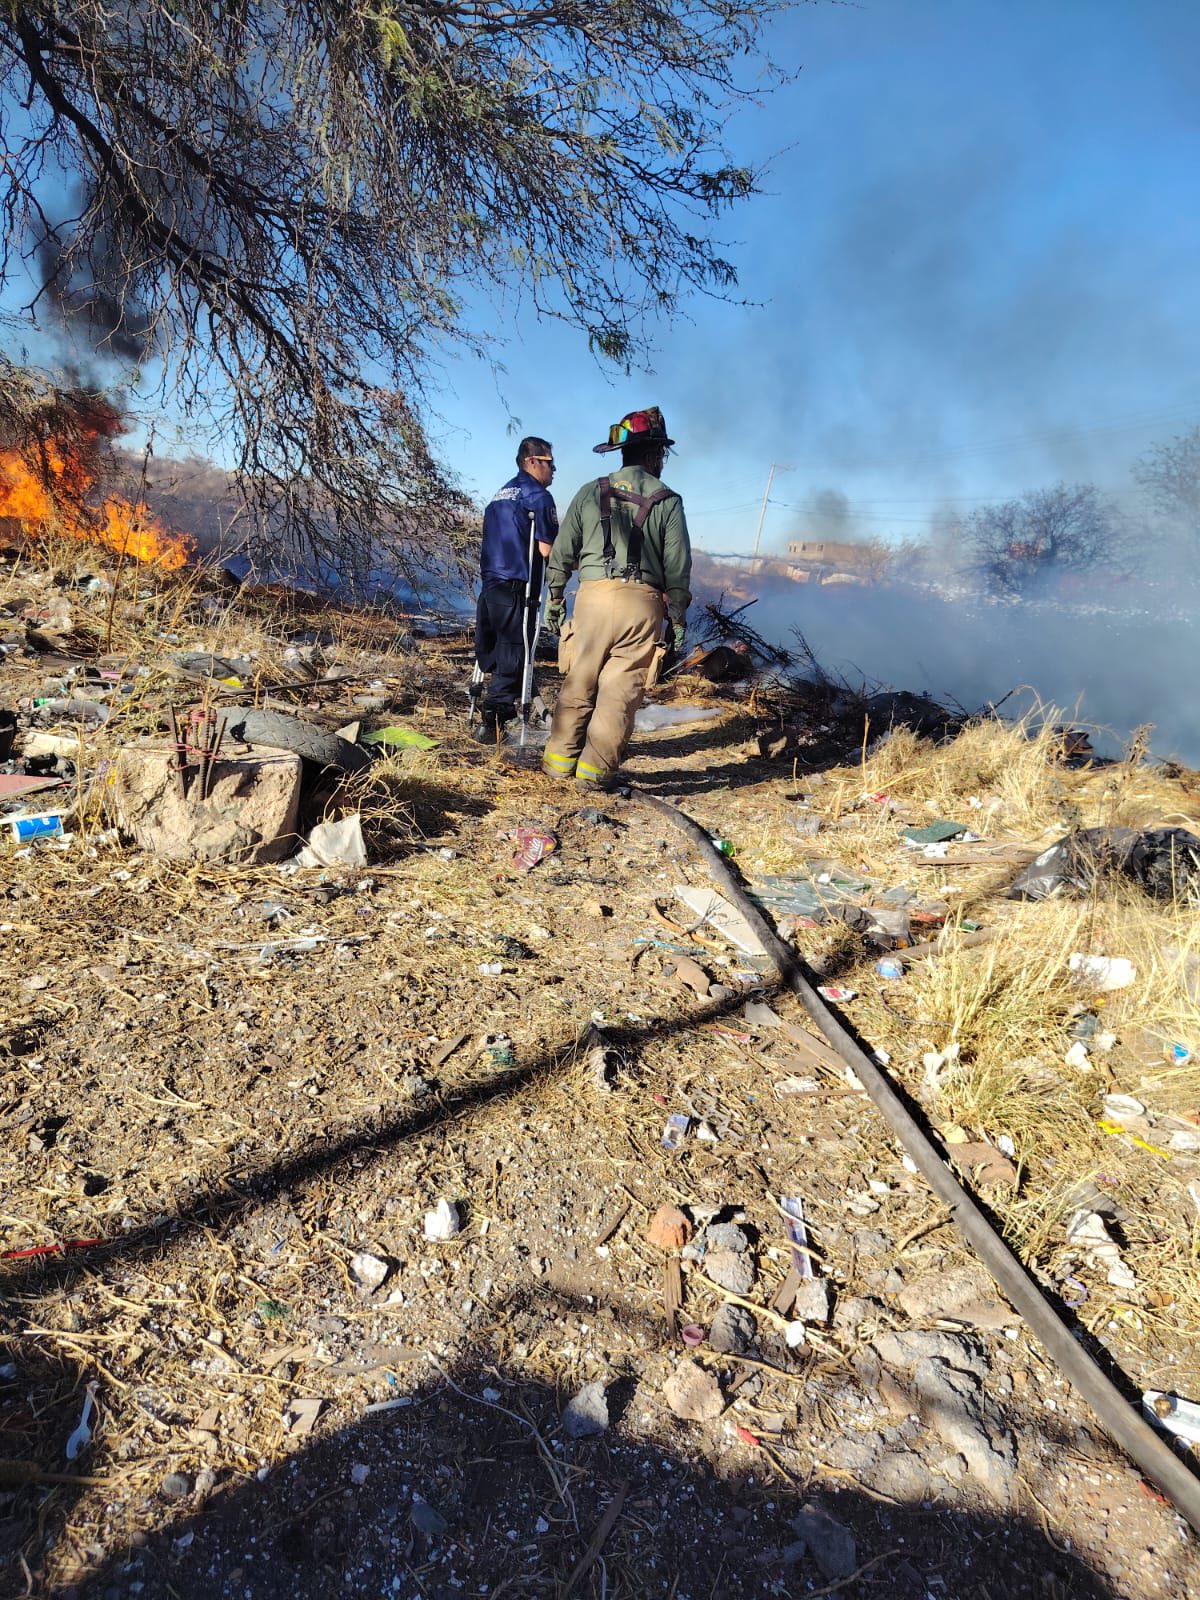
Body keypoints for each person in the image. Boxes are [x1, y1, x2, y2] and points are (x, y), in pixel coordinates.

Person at [542, 407, 691, 789]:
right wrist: (676, 617)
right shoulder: (668, 501)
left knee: (580, 680)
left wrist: (555, 597)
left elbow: (562, 552)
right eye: (661, 455)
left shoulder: (591, 491)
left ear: (621, 453)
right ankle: (594, 773)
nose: (662, 462)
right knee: (619, 692)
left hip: (592, 599)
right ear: (653, 454)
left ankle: (558, 764)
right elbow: (677, 568)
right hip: (641, 606)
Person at [473, 436, 558, 743]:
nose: (554, 469)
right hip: (517, 586)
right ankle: (492, 722)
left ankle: (493, 713)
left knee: (497, 648)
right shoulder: (538, 496)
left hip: (491, 583)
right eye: (549, 463)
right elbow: (547, 550)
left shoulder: (499, 495)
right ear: (531, 461)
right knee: (515, 650)